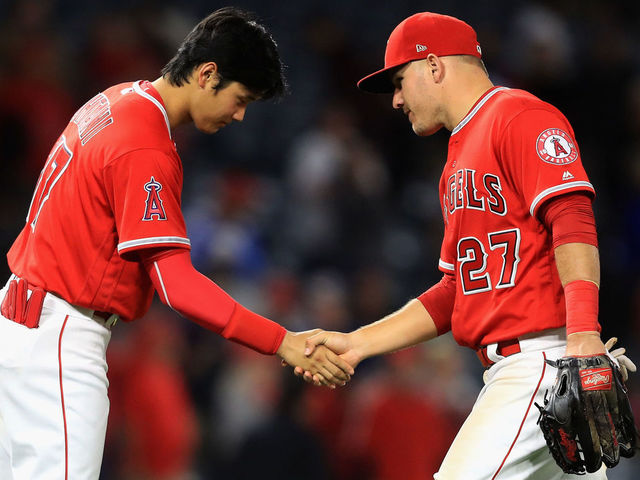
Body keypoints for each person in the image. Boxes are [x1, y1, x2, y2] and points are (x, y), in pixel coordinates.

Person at [0, 7, 353, 480]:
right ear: (207, 74)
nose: (241, 114)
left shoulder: (117, 97)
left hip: (21, 319)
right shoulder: (144, 142)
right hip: (58, 337)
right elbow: (177, 285)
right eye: (240, 97)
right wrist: (282, 341)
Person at [299, 11, 635, 480]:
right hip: (528, 370)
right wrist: (359, 343)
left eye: (399, 81)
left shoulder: (520, 115)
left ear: (434, 66)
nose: (395, 100)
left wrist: (582, 334)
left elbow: (573, 218)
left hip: (543, 363)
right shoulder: (456, 159)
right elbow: (457, 289)